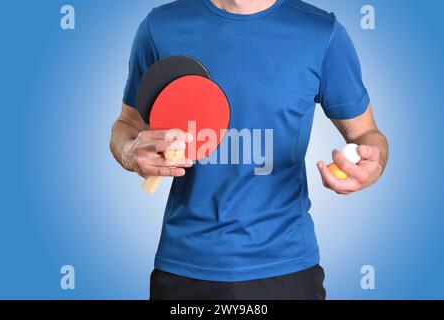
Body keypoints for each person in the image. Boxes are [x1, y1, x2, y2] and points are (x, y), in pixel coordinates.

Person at [110, 0, 389, 300]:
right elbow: (128, 124)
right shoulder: (159, 28)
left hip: (286, 267)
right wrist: (129, 151)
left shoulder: (321, 33)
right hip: (184, 267)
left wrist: (372, 162)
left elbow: (365, 133)